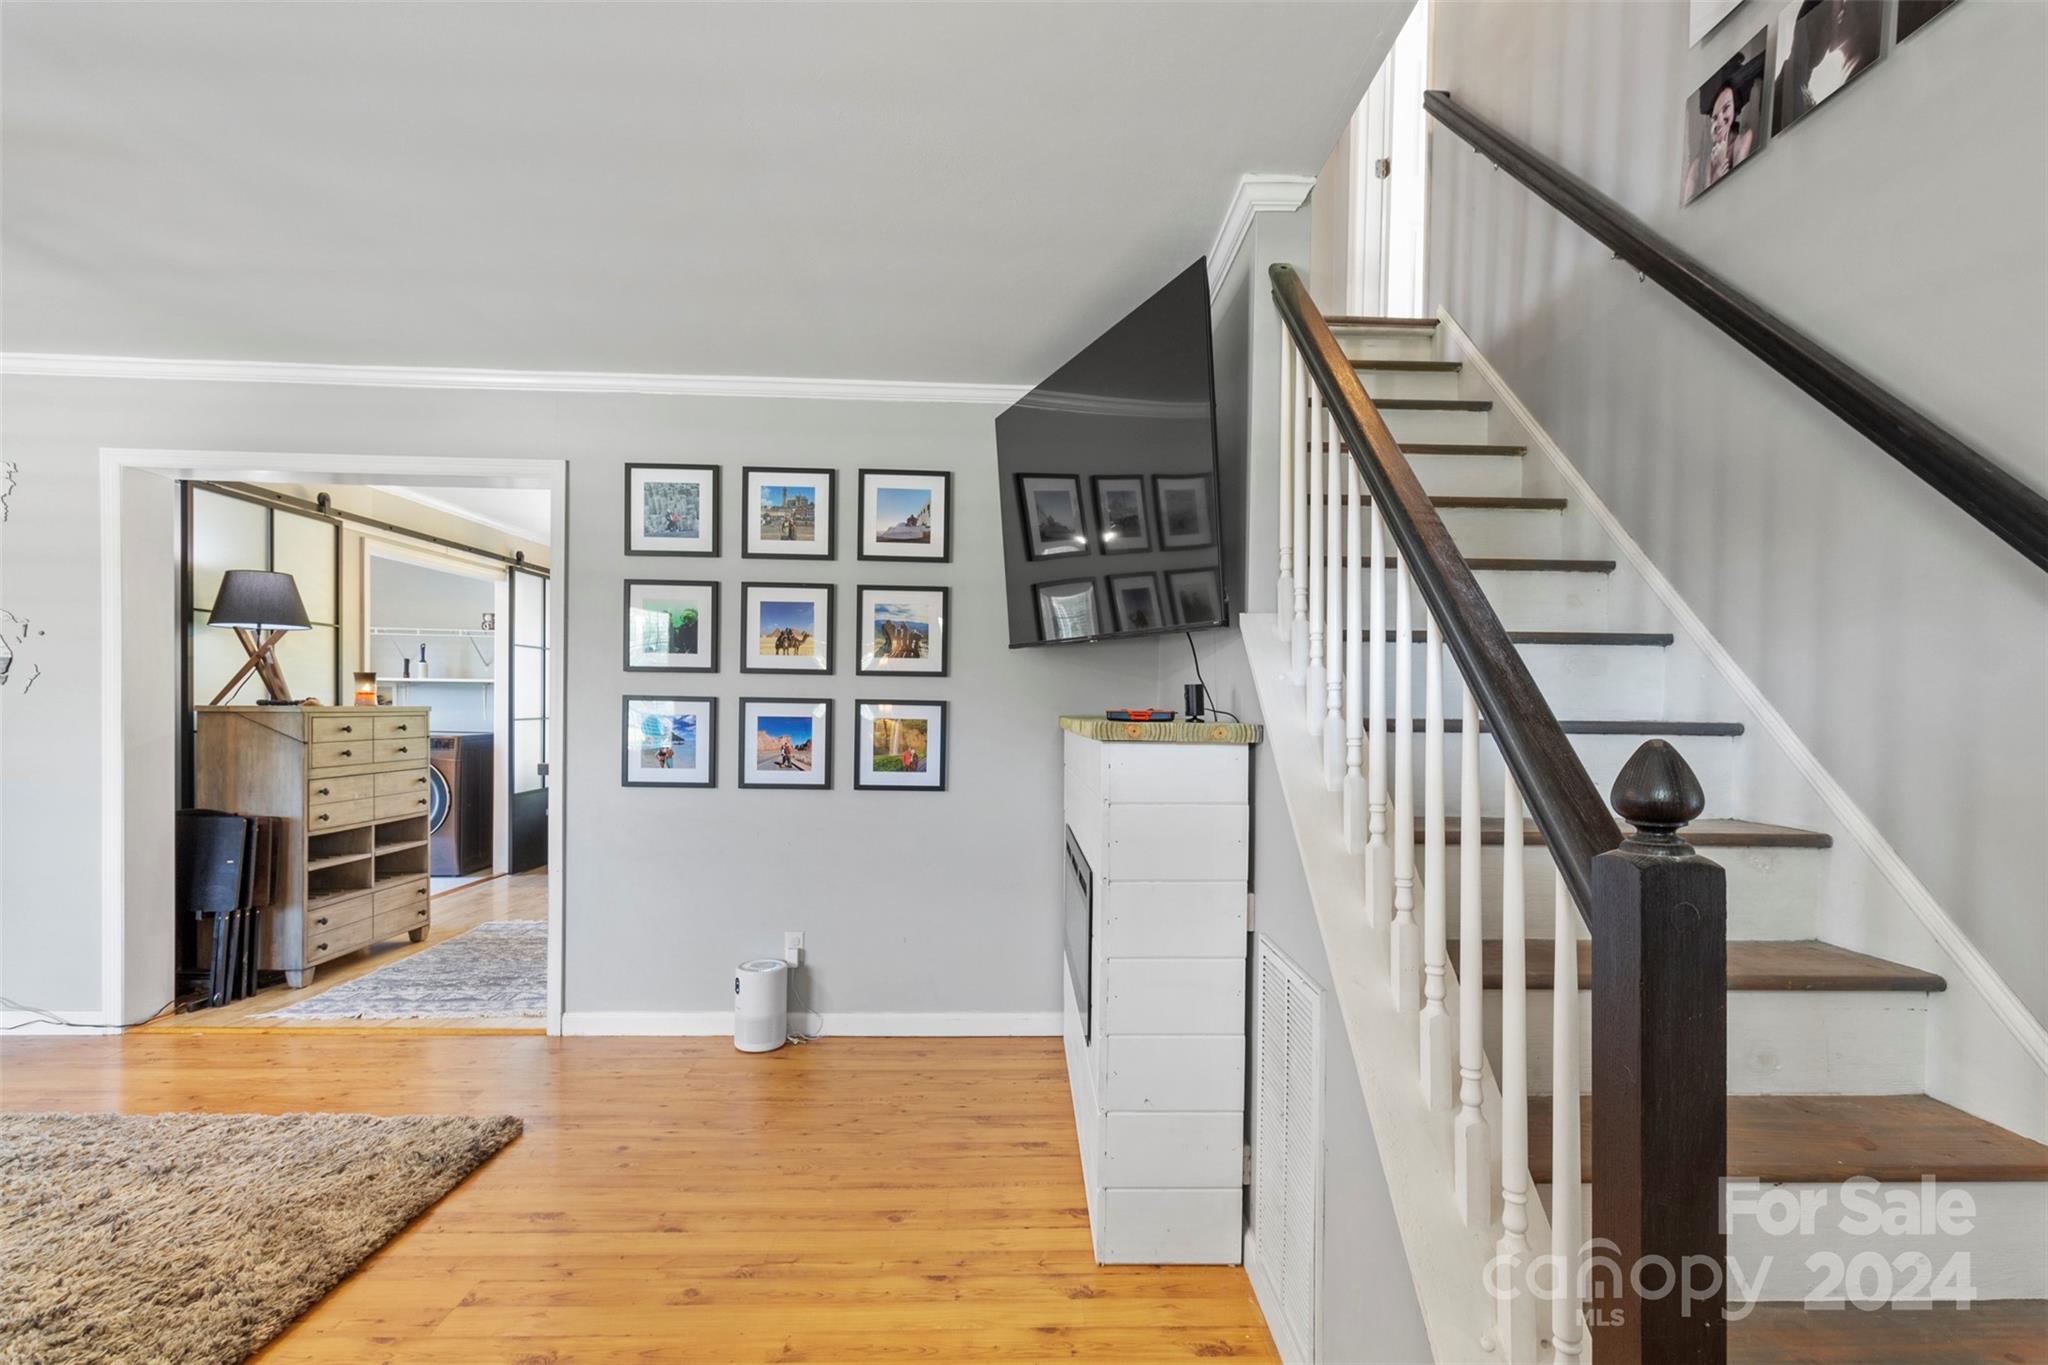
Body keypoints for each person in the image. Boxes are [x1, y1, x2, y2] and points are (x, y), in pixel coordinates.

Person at [1682, 46, 1762, 204]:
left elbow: (1737, 197)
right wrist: (1713, 173)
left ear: (1735, 107)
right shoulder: (1697, 165)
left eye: (1726, 109)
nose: (1721, 121)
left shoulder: (1743, 140)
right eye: (1715, 116)